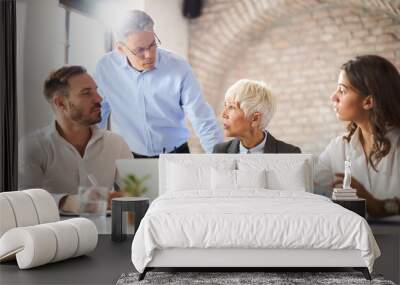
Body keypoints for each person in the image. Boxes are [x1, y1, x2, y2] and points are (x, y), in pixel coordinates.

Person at [94, 10, 223, 158]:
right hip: (127, 155)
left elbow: (201, 118)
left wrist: (220, 161)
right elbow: (97, 116)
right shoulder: (105, 68)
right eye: (140, 50)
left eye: (152, 45)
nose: (149, 55)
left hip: (176, 154)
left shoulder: (178, 66)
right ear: (121, 49)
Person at [18, 66, 132, 213]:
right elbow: (23, 200)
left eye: (96, 90)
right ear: (60, 103)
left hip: (105, 232)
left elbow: (137, 192)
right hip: (51, 233)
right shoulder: (34, 147)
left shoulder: (116, 143)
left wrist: (124, 197)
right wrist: (67, 202)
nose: (99, 98)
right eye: (86, 93)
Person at [314, 55, 400, 218]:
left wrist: (380, 206)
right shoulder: (338, 147)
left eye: (342, 90)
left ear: (368, 102)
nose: (333, 97)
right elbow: (309, 185)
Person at [213, 79, 301, 153]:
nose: (223, 114)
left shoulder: (290, 153)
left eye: (231, 107)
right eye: (225, 106)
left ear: (255, 118)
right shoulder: (219, 151)